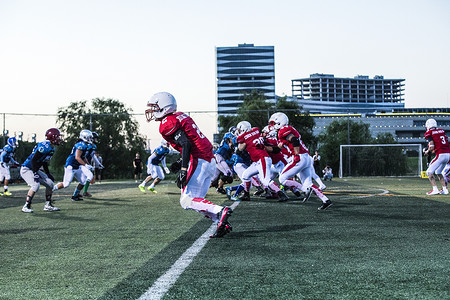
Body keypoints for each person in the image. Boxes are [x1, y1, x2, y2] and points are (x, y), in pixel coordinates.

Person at [146, 92, 232, 238]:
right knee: (196, 202)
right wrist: (181, 162)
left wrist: (184, 169)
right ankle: (220, 221)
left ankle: (220, 211)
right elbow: (191, 141)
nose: (152, 111)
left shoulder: (167, 123)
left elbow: (186, 143)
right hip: (209, 160)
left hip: (199, 159)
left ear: (164, 107)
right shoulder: (180, 115)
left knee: (186, 200)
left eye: (155, 107)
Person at [270, 112, 332, 210]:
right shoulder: (288, 130)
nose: (273, 125)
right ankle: (325, 200)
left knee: (282, 179)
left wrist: (296, 154)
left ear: (279, 122)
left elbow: (294, 140)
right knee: (308, 184)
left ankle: (304, 189)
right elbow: (277, 149)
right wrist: (264, 148)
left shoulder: (283, 130)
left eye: (274, 123)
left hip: (300, 157)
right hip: (306, 157)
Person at [235, 120, 288, 202]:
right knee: (245, 175)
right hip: (258, 160)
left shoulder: (243, 138)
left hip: (262, 159)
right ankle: (246, 194)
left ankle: (281, 193)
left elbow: (240, 148)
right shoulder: (255, 131)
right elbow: (251, 135)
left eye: (239, 129)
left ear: (243, 129)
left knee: (265, 180)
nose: (238, 131)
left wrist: (239, 141)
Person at [20, 128, 63, 213]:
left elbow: (44, 161)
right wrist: (35, 173)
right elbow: (33, 160)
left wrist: (48, 173)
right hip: (27, 168)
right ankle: (26, 206)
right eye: (57, 137)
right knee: (36, 185)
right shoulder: (45, 146)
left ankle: (48, 205)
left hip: (33, 168)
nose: (59, 139)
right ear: (52, 137)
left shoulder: (52, 148)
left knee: (50, 184)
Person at [53, 129, 94, 201]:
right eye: (89, 137)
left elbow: (83, 157)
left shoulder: (85, 145)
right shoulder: (81, 145)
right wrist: (85, 165)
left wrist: (88, 164)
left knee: (83, 181)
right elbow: (77, 157)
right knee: (66, 184)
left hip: (77, 166)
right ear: (84, 137)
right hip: (71, 166)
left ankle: (75, 196)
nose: (90, 139)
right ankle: (51, 189)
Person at [423, 118, 450, 195]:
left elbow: (431, 147)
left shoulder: (429, 133)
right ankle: (445, 189)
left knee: (429, 172)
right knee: (438, 172)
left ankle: (435, 189)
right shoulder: (441, 131)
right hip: (448, 154)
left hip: (441, 155)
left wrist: (427, 152)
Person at [83, 132, 103, 197]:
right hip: (82, 163)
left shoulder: (94, 146)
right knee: (86, 177)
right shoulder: (88, 146)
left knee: (88, 177)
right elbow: (83, 156)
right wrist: (86, 164)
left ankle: (84, 192)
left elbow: (93, 155)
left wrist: (98, 163)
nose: (96, 140)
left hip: (87, 163)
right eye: (95, 139)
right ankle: (82, 192)